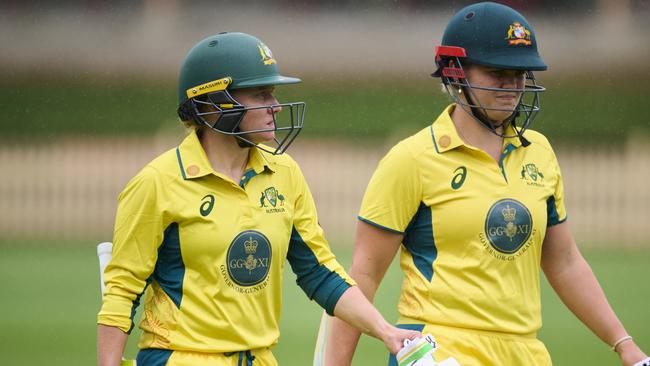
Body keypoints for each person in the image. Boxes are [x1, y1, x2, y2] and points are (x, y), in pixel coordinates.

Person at [323, 2, 649, 366]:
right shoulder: (412, 159)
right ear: (456, 73)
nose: (512, 84)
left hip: (524, 352)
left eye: (520, 72)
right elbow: (363, 276)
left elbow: (565, 262)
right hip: (437, 349)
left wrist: (625, 345)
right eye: (497, 71)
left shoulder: (538, 152)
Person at [96, 32, 419, 366]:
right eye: (260, 94)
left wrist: (386, 331)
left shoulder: (285, 173)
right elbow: (122, 292)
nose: (276, 106)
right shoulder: (157, 182)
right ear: (214, 103)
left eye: (273, 93)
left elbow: (320, 274)